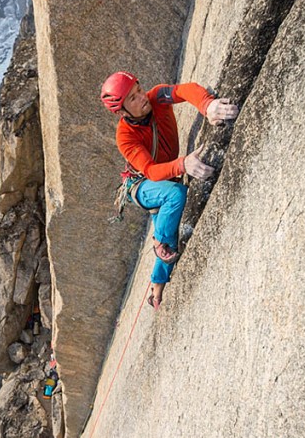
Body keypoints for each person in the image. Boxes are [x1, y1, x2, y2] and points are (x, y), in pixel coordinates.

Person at [101, 71, 238, 309]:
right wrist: (183, 164)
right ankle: (159, 243)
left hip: (165, 177)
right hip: (142, 187)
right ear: (122, 113)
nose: (142, 98)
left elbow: (184, 90)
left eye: (138, 90)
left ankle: (157, 287)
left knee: (171, 235)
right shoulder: (125, 137)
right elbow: (151, 171)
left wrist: (207, 105)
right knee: (175, 197)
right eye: (132, 99)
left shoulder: (156, 97)